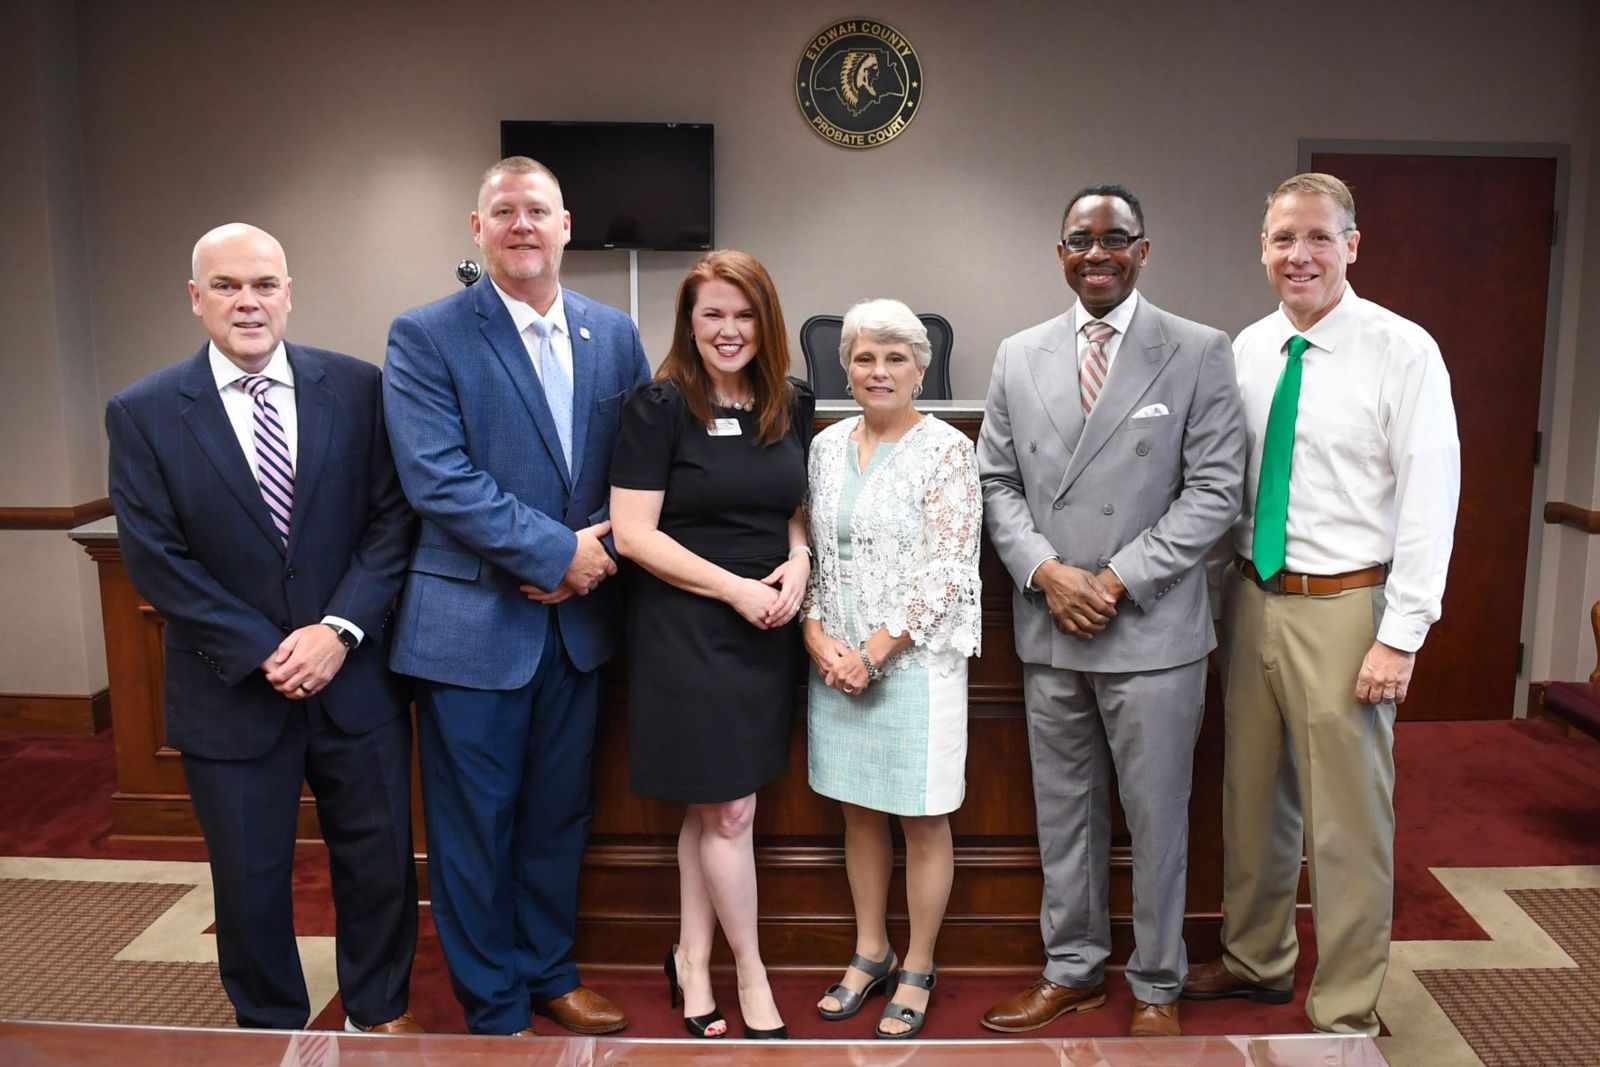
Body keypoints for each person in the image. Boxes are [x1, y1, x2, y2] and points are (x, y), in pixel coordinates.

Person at [106, 223, 419, 1033]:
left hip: (354, 682)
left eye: (264, 284)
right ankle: (271, 1025)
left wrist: (337, 630)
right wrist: (266, 650)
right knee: (248, 878)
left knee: (379, 864)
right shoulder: (142, 412)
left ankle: (377, 1011)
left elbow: (390, 523)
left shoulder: (358, 388)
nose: (248, 301)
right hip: (231, 691)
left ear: (290, 292)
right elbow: (157, 559)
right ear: (196, 297)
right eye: (227, 286)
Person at [1181, 173, 1460, 1037]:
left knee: (1346, 822)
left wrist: (1401, 635)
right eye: (1281, 240)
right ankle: (1258, 959)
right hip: (1253, 596)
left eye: (1316, 238)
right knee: (1251, 798)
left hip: (1348, 610)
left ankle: (1344, 1002)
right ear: (1261, 248)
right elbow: (1226, 485)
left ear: (1352, 244)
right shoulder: (1247, 348)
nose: (1298, 255)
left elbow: (1430, 496)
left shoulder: (1401, 349)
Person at [382, 157, 648, 1037]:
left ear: (567, 223)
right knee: (473, 830)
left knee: (557, 816)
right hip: (470, 628)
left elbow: (638, 468)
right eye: (505, 212)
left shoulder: (612, 334)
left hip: (578, 628)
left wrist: (590, 556)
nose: (523, 225)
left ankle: (549, 972)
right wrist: (553, 550)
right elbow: (438, 478)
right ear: (477, 228)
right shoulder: (426, 335)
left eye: (538, 210)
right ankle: (493, 1002)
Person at [977, 184, 1246, 1038]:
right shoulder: (1018, 354)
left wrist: (1119, 578)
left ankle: (1159, 983)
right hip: (1052, 625)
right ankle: (1073, 970)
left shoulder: (1199, 350)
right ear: (1059, 252)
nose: (1097, 253)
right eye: (1080, 240)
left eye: (1115, 238)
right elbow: (996, 482)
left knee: (1160, 818)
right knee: (1065, 817)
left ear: (1144, 248)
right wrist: (1048, 570)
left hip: (1152, 630)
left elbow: (1214, 491)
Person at [609, 250, 813, 1040]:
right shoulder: (657, 404)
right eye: (712, 315)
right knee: (729, 808)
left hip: (765, 630)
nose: (729, 330)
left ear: (767, 321)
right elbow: (632, 535)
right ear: (688, 324)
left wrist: (798, 558)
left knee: (715, 807)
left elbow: (791, 505)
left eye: (744, 314)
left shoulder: (789, 401)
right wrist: (735, 589)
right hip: (687, 625)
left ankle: (692, 957)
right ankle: (748, 969)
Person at [802, 298, 982, 1039]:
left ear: (921, 367)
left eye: (895, 358)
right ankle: (869, 948)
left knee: (922, 816)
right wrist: (817, 636)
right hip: (836, 662)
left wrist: (875, 652)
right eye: (865, 358)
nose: (879, 371)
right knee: (858, 810)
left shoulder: (947, 449)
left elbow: (949, 570)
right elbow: (816, 552)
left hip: (912, 663)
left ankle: (918, 961)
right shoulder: (824, 443)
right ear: (845, 366)